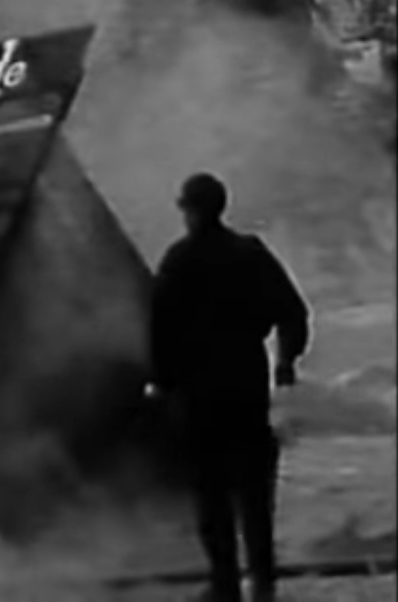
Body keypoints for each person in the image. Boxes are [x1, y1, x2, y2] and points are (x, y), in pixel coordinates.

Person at [148, 173, 311, 602]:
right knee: (255, 488)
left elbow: (159, 330)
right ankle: (263, 580)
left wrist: (163, 383)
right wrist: (286, 360)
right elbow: (293, 312)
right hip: (245, 379)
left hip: (199, 388)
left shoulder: (179, 260)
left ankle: (224, 584)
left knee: (211, 492)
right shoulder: (250, 253)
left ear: (190, 209)